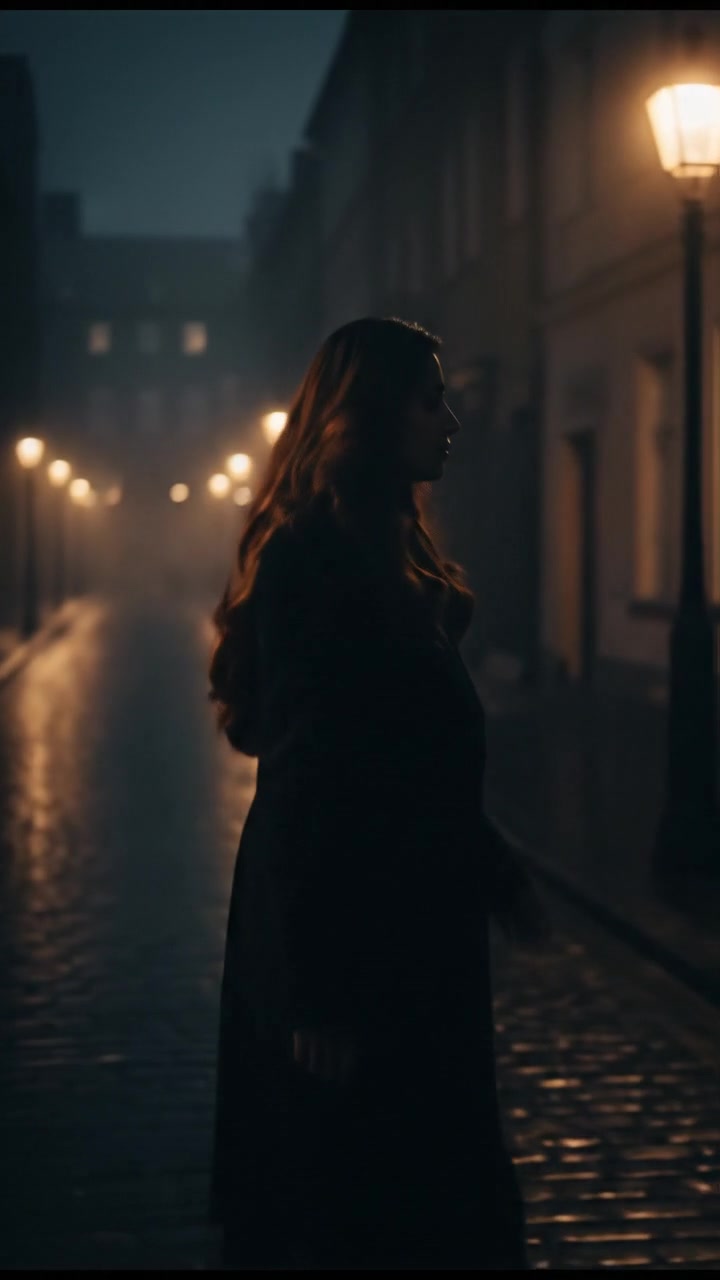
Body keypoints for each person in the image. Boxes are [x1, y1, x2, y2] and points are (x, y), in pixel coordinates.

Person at [207, 316, 550, 1270]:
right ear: (371, 415)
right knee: (357, 1214)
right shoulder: (313, 562)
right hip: (359, 953)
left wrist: (496, 871)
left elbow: (411, 763)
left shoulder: (388, 559)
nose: (451, 422)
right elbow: (310, 780)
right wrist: (317, 993)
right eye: (430, 401)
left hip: (414, 936)